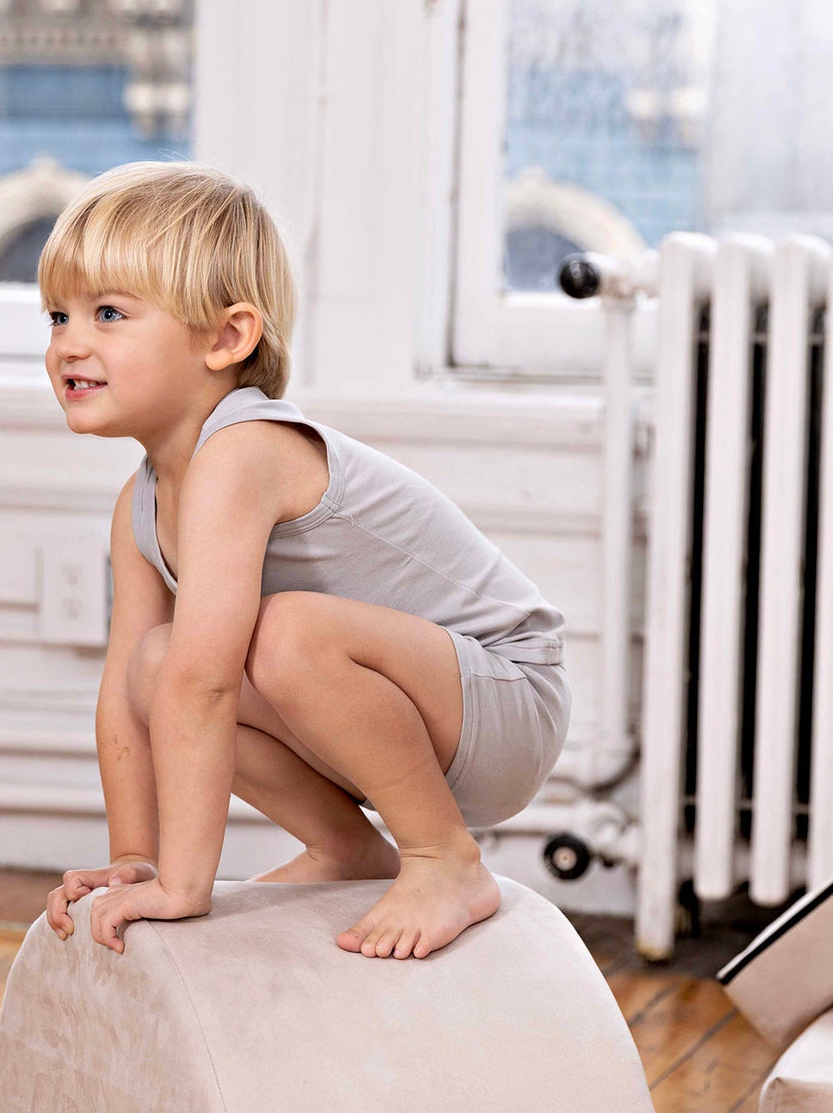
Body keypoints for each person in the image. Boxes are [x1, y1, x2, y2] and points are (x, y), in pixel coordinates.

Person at [42, 160, 571, 960]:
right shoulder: (140, 504)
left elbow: (208, 683)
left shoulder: (245, 451)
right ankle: (350, 850)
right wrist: (135, 860)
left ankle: (446, 859)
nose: (69, 344)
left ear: (228, 337)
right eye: (58, 316)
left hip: (505, 705)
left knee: (275, 635)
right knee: (154, 665)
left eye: (108, 313)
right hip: (403, 724)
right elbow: (129, 695)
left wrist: (184, 885)